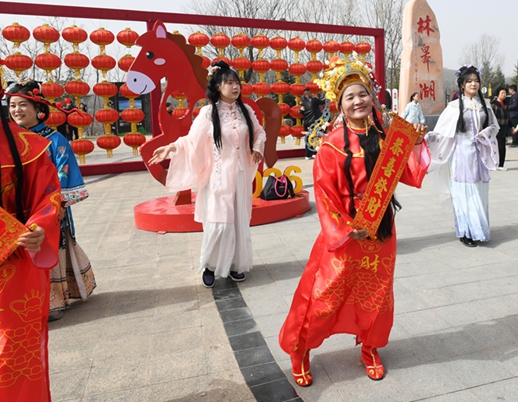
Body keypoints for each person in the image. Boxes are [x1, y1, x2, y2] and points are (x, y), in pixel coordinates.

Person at [278, 57, 429, 386]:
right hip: (346, 233)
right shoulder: (331, 146)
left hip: (380, 230)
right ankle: (300, 348)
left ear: (372, 98)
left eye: (363, 94)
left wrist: (415, 142)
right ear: (339, 104)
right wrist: (347, 228)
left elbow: (408, 174)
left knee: (378, 295)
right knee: (325, 295)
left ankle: (370, 347)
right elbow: (324, 195)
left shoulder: (386, 137)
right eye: (350, 97)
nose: (358, 101)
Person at [148, 60, 266, 286]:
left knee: (238, 220)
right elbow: (191, 141)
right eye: (229, 83)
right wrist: (171, 147)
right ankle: (210, 266)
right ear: (218, 86)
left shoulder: (245, 111)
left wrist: (258, 147)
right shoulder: (208, 113)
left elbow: (259, 132)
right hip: (218, 178)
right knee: (220, 223)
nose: (235, 87)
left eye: (237, 82)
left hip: (240, 176)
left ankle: (234, 265)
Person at [6, 81, 94, 321]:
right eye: (12, 105)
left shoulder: (55, 140)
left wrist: (57, 206)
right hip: (16, 208)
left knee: (47, 247)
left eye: (23, 105)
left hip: (47, 208)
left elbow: (63, 175)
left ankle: (52, 301)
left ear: (38, 109)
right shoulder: (9, 141)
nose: (17, 110)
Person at [0, 83, 62, 402]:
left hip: (18, 260)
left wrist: (40, 226)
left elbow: (49, 195)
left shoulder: (28, 146)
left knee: (15, 353)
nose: (17, 110)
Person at [427, 65, 499, 248]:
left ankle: (479, 229)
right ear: (461, 85)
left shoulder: (485, 105)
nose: (473, 84)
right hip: (460, 156)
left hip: (479, 154)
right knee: (464, 194)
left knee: (479, 192)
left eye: (476, 81)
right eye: (469, 81)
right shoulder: (453, 108)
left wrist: (485, 133)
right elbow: (441, 132)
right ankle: (466, 231)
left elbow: (494, 126)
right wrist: (425, 140)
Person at [300, 88, 325, 159]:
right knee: (316, 136)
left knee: (308, 137)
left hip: (306, 122)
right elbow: (323, 101)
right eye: (311, 92)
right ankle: (314, 153)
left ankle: (307, 154)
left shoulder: (303, 102)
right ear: (309, 93)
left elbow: (301, 111)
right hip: (314, 122)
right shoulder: (314, 100)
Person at [491, 87, 510, 170]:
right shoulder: (494, 105)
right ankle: (496, 164)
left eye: (505, 93)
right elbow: (491, 117)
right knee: (498, 147)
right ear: (498, 94)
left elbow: (508, 117)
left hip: (504, 128)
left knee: (502, 147)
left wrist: (512, 126)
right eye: (502, 93)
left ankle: (501, 164)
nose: (504, 95)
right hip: (496, 128)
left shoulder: (505, 104)